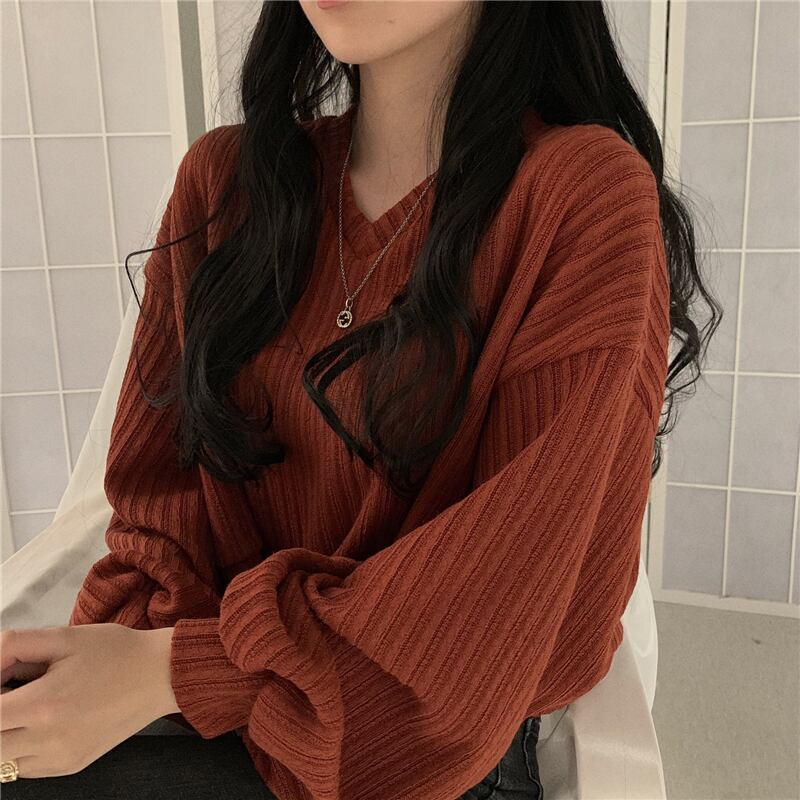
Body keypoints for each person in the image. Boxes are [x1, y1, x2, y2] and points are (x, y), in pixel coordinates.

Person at [0, 2, 720, 798]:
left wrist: (170, 672)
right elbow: (158, 517)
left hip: (430, 752)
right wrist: (88, 688)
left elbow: (494, 609)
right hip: (211, 707)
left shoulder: (578, 196)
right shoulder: (225, 185)